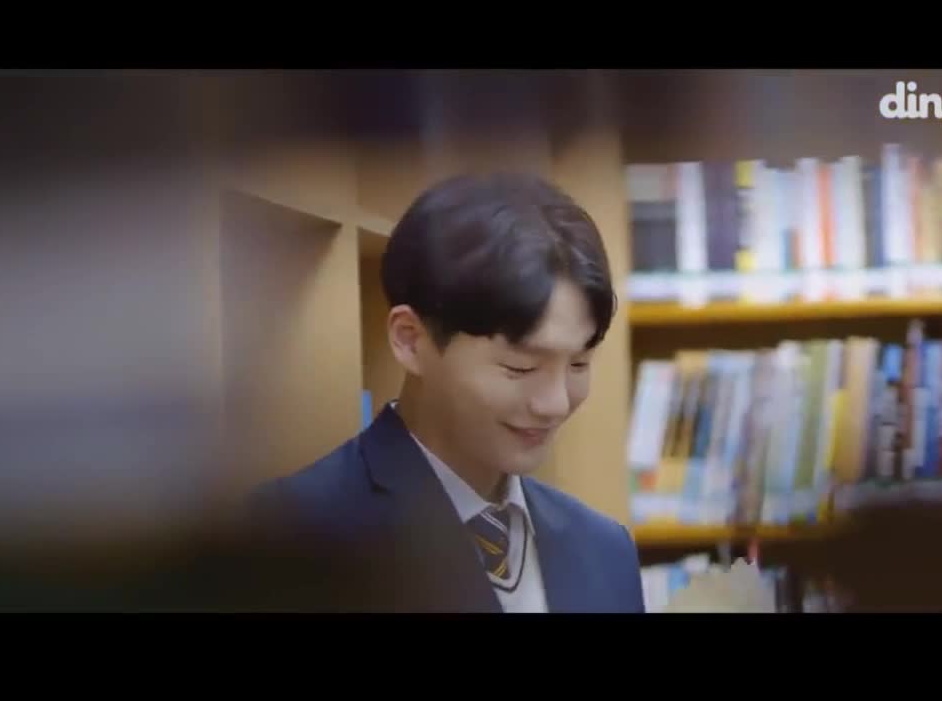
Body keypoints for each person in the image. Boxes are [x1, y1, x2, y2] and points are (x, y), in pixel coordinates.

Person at [249, 171, 646, 613]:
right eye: (520, 367)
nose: (555, 403)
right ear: (410, 340)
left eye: (578, 364)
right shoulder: (282, 542)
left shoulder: (604, 550)